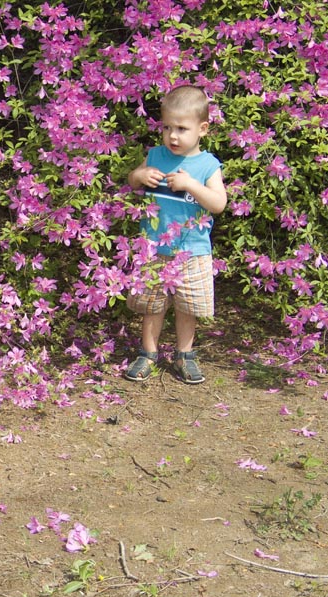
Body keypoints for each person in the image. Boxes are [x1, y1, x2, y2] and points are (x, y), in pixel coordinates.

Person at [124, 85, 227, 384]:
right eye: (167, 127)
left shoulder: (208, 164)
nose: (172, 136)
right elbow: (133, 179)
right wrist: (140, 176)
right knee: (152, 305)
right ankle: (148, 353)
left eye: (182, 128)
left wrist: (191, 184)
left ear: (202, 128)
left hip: (193, 251)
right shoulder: (156, 154)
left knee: (187, 307)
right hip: (154, 249)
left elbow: (218, 204)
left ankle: (185, 354)